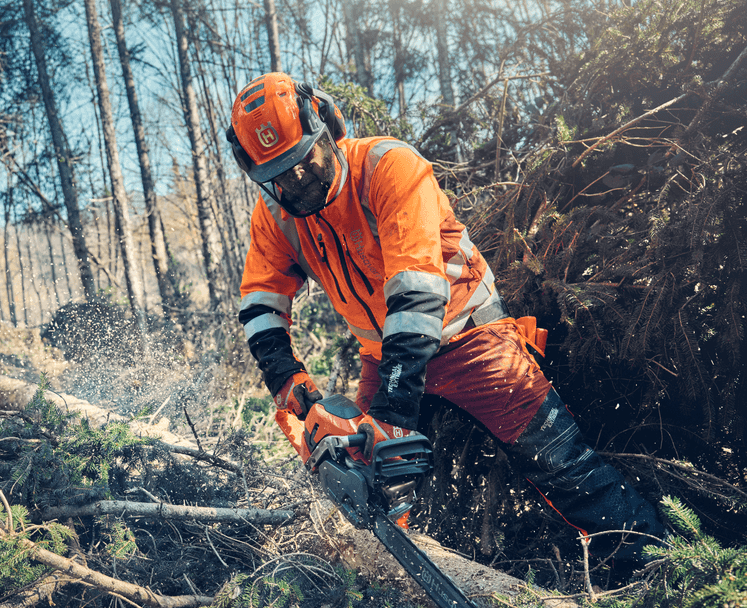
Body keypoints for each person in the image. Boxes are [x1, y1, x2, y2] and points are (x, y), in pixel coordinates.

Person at [227, 72, 666, 578]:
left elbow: (417, 293)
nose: (300, 181)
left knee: (560, 462)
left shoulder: (388, 167)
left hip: (470, 339)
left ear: (328, 128)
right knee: (365, 482)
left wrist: (392, 412)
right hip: (384, 357)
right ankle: (395, 584)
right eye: (281, 175)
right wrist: (286, 379)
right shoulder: (276, 216)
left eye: (308, 161)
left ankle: (656, 563)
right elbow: (260, 301)